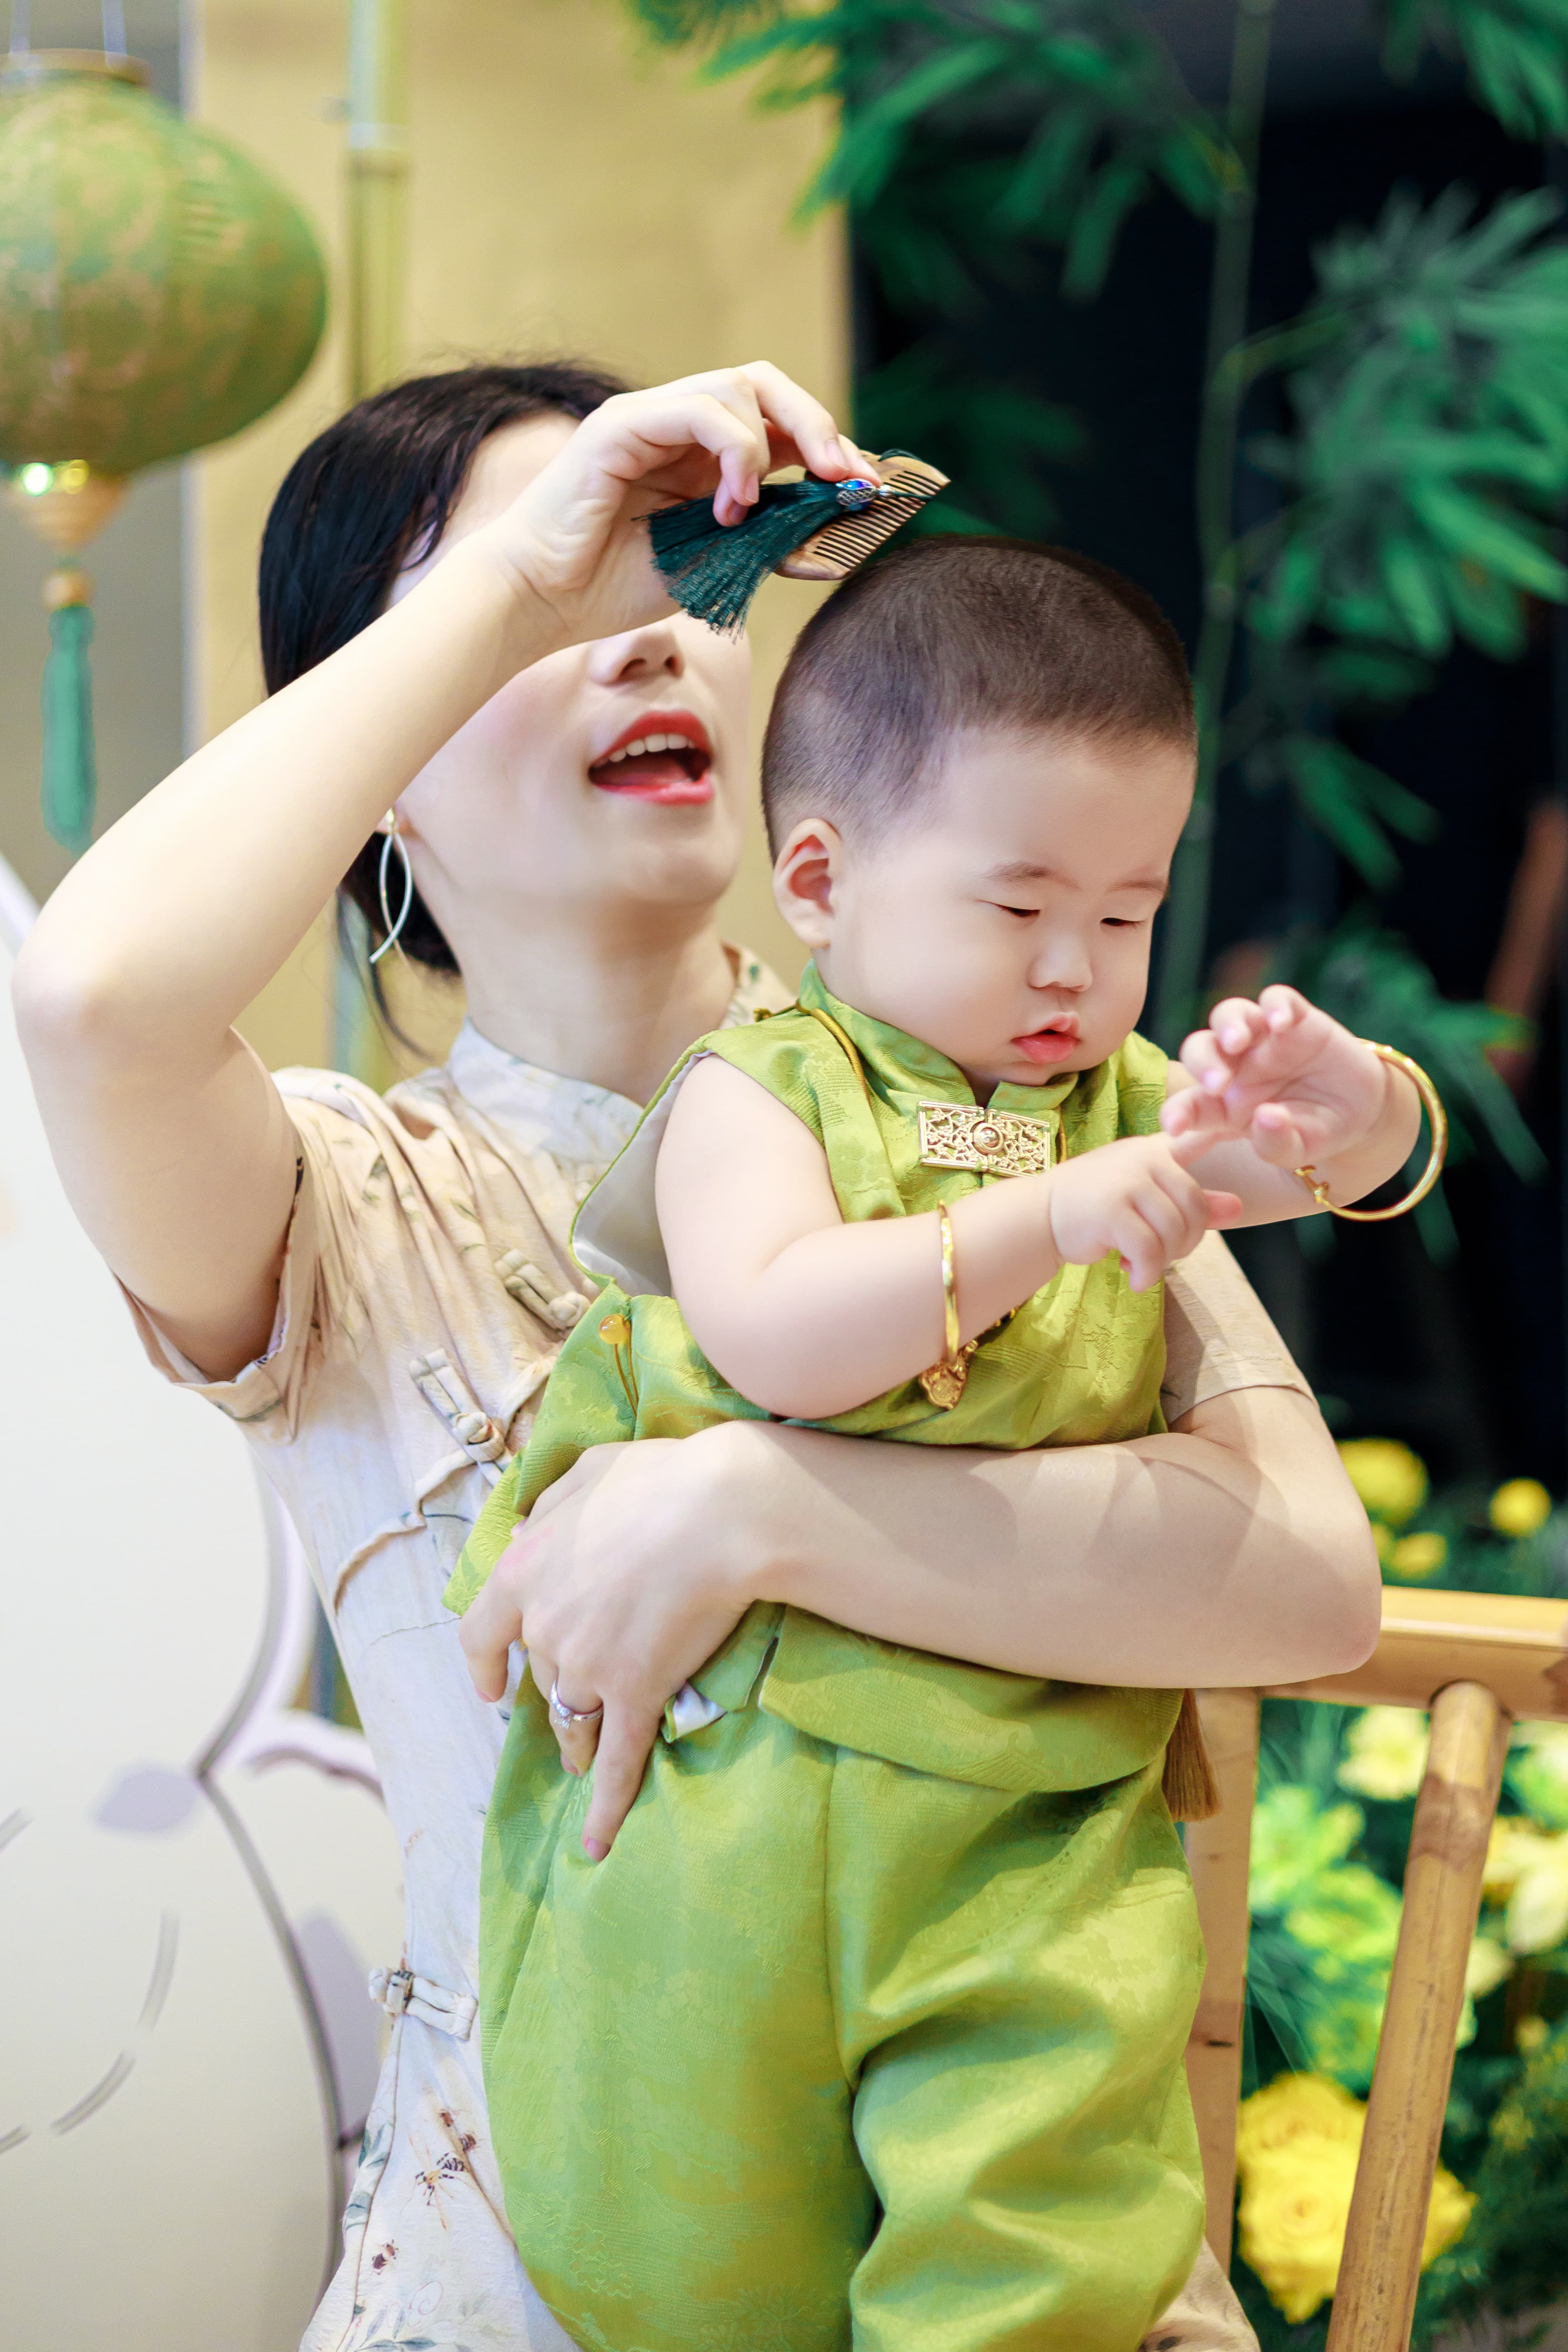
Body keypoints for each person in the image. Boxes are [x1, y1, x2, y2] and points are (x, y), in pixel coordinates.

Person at [12, 358, 1380, 2352]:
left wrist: (754, 1501)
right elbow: (91, 1000)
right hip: (536, 2277)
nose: (641, 635)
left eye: (676, 583)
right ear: (370, 753)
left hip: (1045, 2269)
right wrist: (523, 581)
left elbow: (1307, 1578)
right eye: (548, 602)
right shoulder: (339, 1199)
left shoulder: (1020, 1087)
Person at [448, 537, 1413, 2352]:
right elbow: (779, 1331)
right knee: (688, 2219)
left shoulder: (1115, 1106)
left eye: (1125, 915)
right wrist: (1046, 1219)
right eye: (1019, 903)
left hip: (1030, 1825)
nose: (1073, 969)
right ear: (820, 880)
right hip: (733, 1801)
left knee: (1036, 2222)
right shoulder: (762, 1090)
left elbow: (1290, 1173)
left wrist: (1354, 1111)